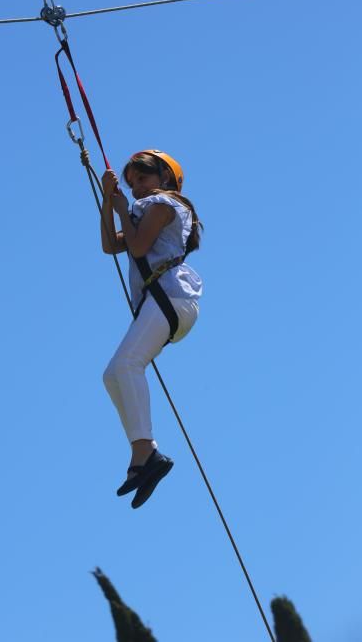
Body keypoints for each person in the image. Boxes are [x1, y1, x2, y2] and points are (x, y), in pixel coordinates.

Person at [100, 149, 203, 509]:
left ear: (164, 179)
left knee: (125, 366)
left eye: (142, 179)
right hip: (164, 303)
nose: (137, 189)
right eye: (131, 185)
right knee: (114, 374)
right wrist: (107, 203)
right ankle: (143, 453)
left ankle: (147, 453)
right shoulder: (141, 212)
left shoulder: (165, 205)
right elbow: (111, 245)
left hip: (170, 297)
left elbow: (139, 245)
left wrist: (118, 209)